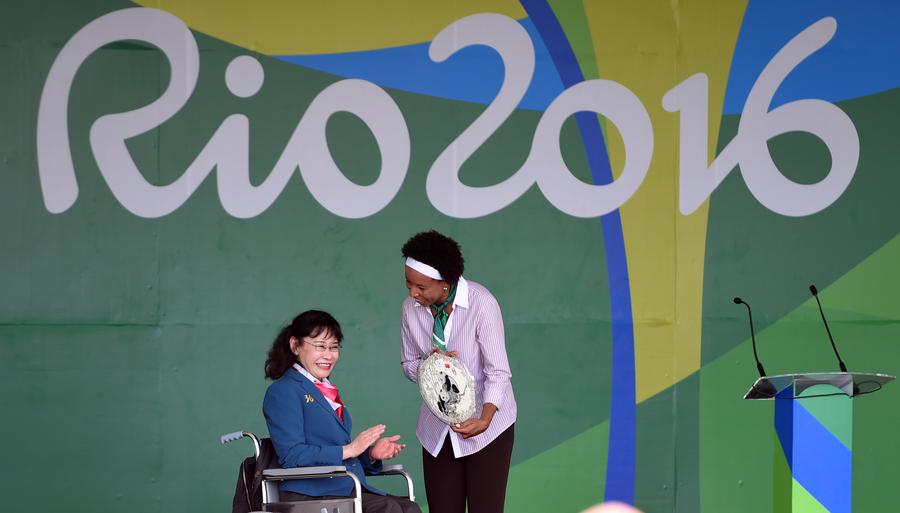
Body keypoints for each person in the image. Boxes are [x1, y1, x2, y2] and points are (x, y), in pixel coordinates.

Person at [400, 231, 516, 513]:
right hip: (437, 428)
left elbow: (498, 371)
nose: (413, 293)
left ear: (445, 283)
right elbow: (408, 364)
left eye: (422, 287)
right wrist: (432, 365)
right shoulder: (410, 308)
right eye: (409, 284)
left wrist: (485, 418)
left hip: (487, 426)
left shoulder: (481, 303)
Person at [264, 310, 421, 513]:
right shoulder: (284, 391)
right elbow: (292, 455)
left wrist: (371, 454)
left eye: (334, 347)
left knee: (408, 508)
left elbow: (339, 454)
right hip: (310, 494)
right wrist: (349, 449)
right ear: (295, 345)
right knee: (389, 509)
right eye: (320, 347)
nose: (328, 355)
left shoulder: (325, 390)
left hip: (342, 487)